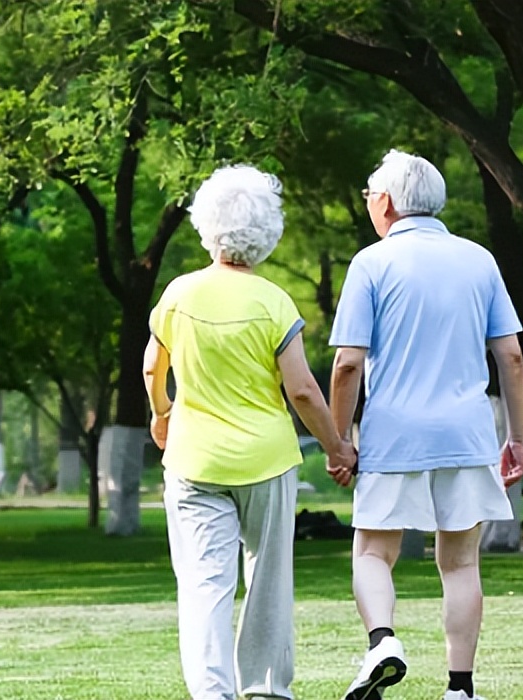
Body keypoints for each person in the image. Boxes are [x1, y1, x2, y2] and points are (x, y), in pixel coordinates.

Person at [327, 150, 523, 700]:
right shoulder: (479, 260)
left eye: (370, 196)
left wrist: (339, 441)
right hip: (466, 436)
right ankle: (460, 689)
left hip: (394, 436)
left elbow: (347, 363)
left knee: (373, 552)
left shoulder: (371, 264)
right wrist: (516, 437)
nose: (370, 205)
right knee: (461, 563)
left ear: (386, 202)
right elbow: (510, 356)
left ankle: (382, 641)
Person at [144, 165, 351, 700]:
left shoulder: (178, 294)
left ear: (205, 225)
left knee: (204, 585)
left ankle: (213, 693)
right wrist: (336, 447)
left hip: (193, 461)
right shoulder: (273, 302)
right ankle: (264, 690)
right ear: (268, 231)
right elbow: (302, 390)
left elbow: (152, 368)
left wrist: (162, 413)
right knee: (267, 582)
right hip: (265, 461)